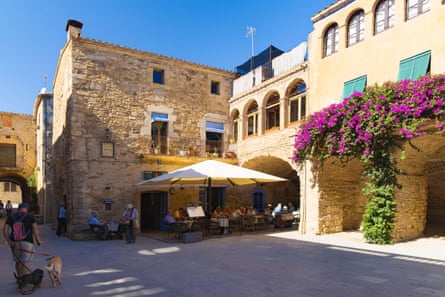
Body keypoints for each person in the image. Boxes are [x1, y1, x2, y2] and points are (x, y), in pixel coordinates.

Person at [3, 202, 42, 277]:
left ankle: (20, 278)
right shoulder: (30, 216)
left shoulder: (11, 216)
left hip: (15, 243)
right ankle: (25, 281)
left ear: (19, 209)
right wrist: (38, 240)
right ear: (27, 209)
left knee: (18, 261)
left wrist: (9, 241)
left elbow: (5, 229)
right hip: (27, 242)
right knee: (25, 261)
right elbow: (35, 229)